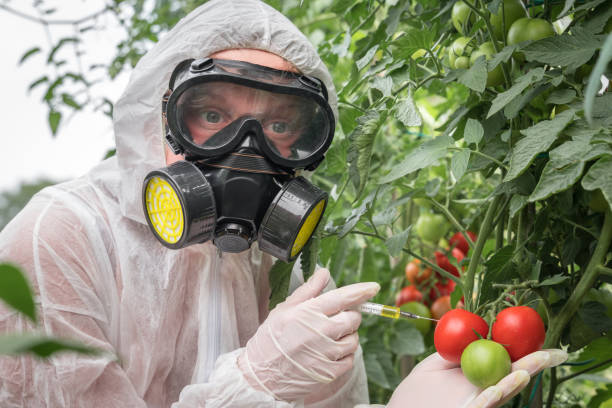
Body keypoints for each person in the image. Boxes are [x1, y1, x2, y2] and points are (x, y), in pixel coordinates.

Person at [0, 1, 566, 407]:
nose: (246, 151)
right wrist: (254, 385)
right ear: (160, 118)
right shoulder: (63, 238)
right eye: (213, 117)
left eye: (277, 125)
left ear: (305, 148)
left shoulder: (285, 271)